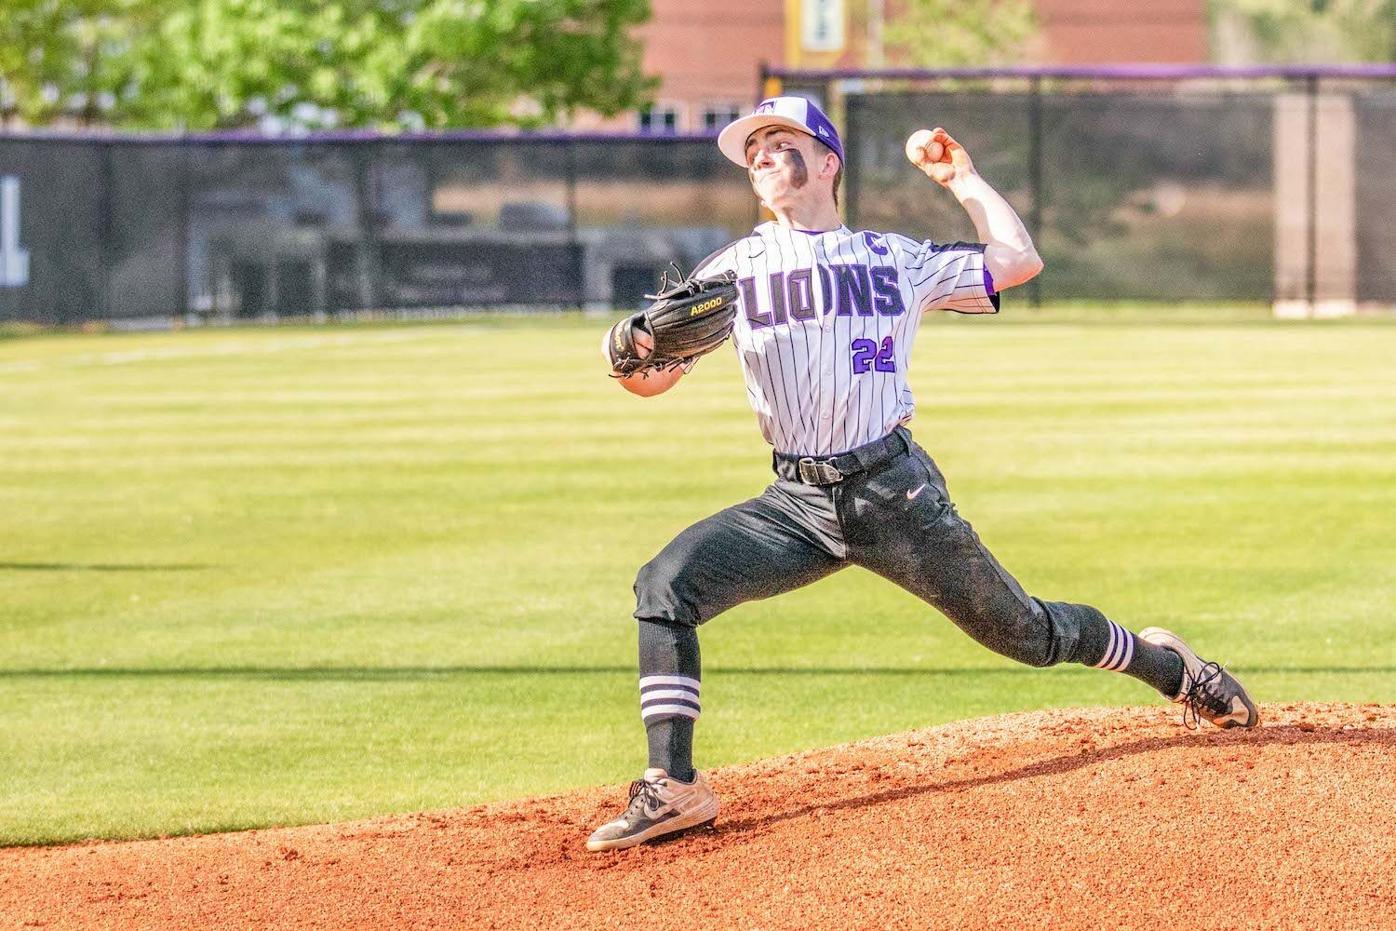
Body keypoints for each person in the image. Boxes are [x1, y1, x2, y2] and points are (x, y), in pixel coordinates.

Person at [586, 96, 1257, 853]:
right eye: (753, 152)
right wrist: (633, 350)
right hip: (796, 504)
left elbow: (1019, 261)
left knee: (1028, 634)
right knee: (665, 585)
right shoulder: (735, 270)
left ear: (829, 161)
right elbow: (656, 380)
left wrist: (963, 178)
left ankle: (1170, 666)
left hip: (894, 495)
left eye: (779, 142)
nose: (762, 158)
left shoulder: (892, 258)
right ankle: (674, 787)